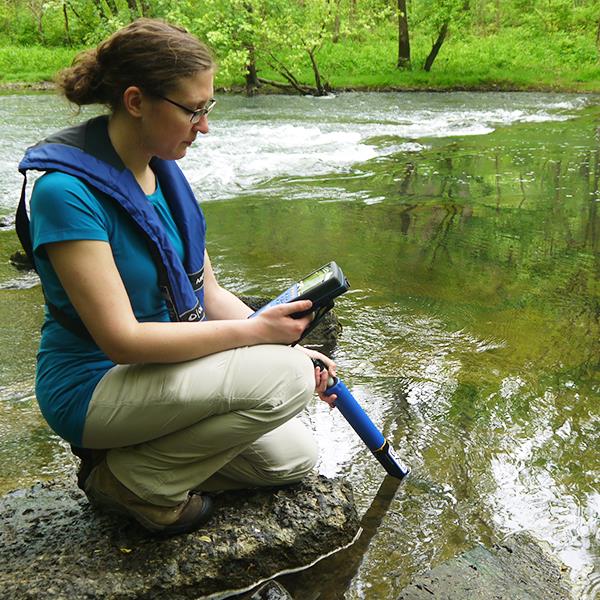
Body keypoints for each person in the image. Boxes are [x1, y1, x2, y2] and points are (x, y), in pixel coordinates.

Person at [16, 18, 336, 536]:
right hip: (94, 384)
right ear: (136, 101)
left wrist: (288, 344)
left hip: (164, 377)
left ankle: (131, 465)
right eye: (193, 110)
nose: (203, 127)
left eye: (209, 108)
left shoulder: (163, 173)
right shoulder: (65, 193)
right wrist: (260, 338)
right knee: (285, 380)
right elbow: (122, 340)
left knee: (293, 458)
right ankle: (136, 483)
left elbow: (208, 294)